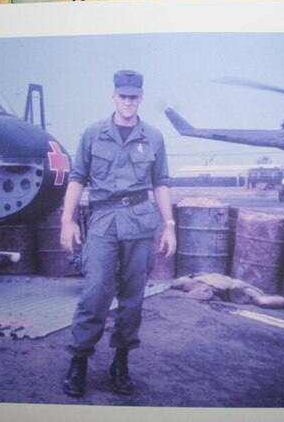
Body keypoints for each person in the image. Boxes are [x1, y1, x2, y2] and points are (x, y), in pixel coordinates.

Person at [59, 69, 177, 398]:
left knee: (133, 300)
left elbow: (161, 183)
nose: (128, 102)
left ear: (141, 98)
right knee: (95, 292)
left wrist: (169, 226)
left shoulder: (153, 137)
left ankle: (120, 361)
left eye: (134, 96)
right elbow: (78, 177)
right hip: (102, 221)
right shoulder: (93, 133)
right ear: (114, 96)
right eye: (122, 96)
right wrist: (66, 220)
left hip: (140, 223)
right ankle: (78, 361)